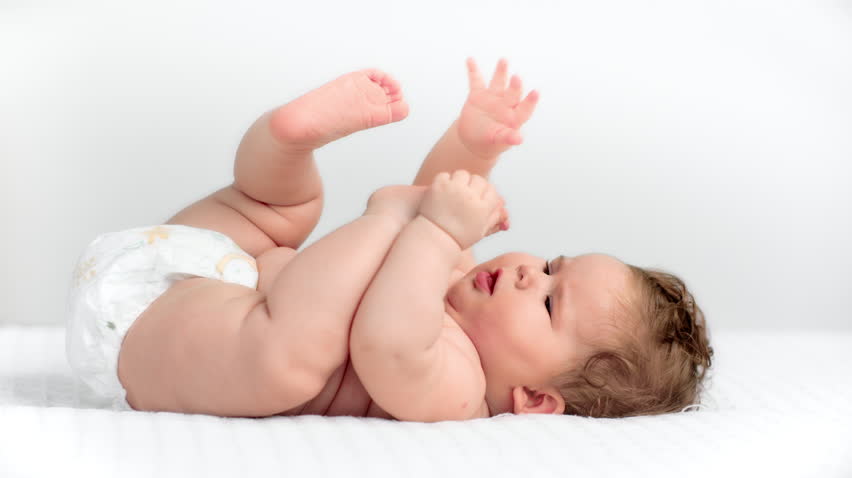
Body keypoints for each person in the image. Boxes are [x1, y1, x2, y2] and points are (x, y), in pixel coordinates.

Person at [66, 58, 712, 421]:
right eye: (550, 265)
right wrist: (473, 147)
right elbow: (438, 193)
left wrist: (424, 225)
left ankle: (306, 171)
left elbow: (385, 343)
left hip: (167, 337)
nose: (527, 275)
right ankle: (289, 137)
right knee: (275, 208)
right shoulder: (450, 278)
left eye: (548, 302)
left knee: (288, 361)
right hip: (214, 265)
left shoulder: (458, 389)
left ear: (536, 399)